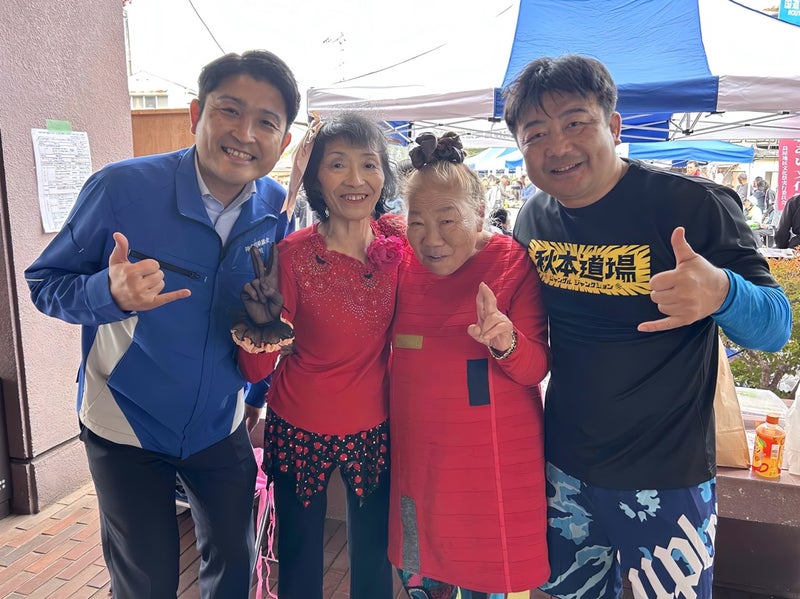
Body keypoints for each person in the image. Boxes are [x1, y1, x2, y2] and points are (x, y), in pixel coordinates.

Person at [502, 54, 792, 599]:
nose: (557, 146)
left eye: (575, 122)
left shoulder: (692, 204)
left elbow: (776, 328)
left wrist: (723, 292)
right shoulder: (533, 217)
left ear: (613, 126)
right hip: (565, 471)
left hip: (668, 477)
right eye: (535, 133)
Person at [25, 50, 300, 599]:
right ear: (196, 113)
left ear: (284, 140)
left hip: (220, 423)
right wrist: (108, 293)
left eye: (266, 122)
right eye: (229, 110)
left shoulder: (276, 209)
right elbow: (44, 283)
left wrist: (256, 393)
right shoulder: (120, 189)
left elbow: (269, 313)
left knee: (235, 564)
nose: (245, 134)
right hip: (126, 421)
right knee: (146, 581)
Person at [233, 112, 402, 599]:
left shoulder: (399, 247)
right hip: (298, 424)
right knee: (300, 557)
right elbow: (255, 368)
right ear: (316, 179)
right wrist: (262, 328)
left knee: (374, 559)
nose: (355, 180)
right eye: (337, 164)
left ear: (383, 175)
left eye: (369, 164)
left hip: (373, 426)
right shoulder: (291, 255)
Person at [390, 131, 551, 598]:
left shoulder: (512, 263)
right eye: (417, 223)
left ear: (479, 213)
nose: (431, 239)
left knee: (492, 580)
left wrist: (506, 341)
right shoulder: (401, 263)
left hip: (491, 466)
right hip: (419, 462)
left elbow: (536, 367)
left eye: (447, 220)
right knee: (421, 574)